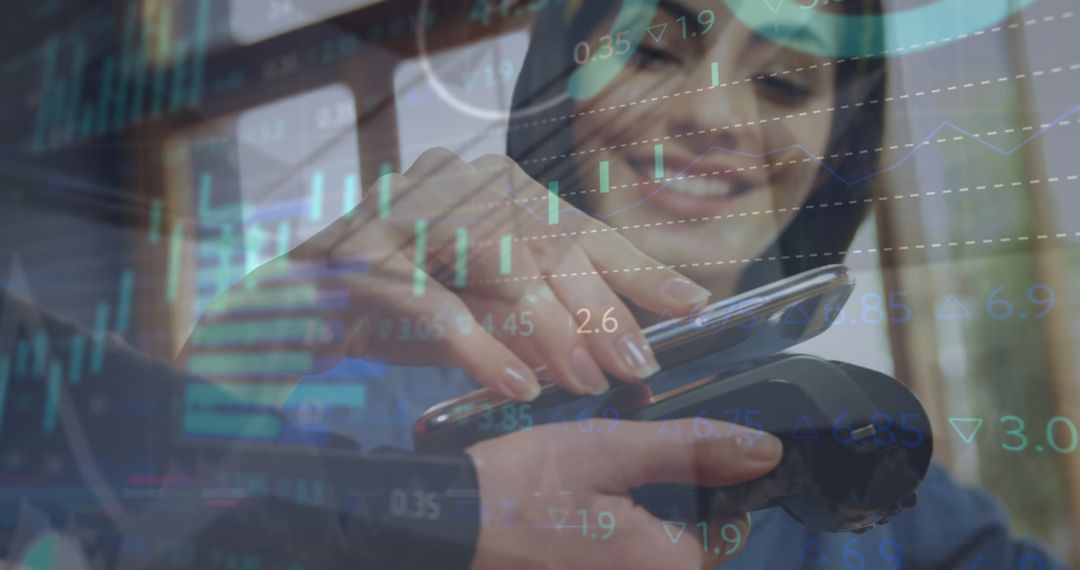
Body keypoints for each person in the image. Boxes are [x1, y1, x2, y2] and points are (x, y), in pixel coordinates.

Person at [0, 1, 1067, 569]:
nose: (716, 113)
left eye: (788, 80)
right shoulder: (360, 403)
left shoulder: (883, 484)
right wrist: (237, 372)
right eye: (654, 48)